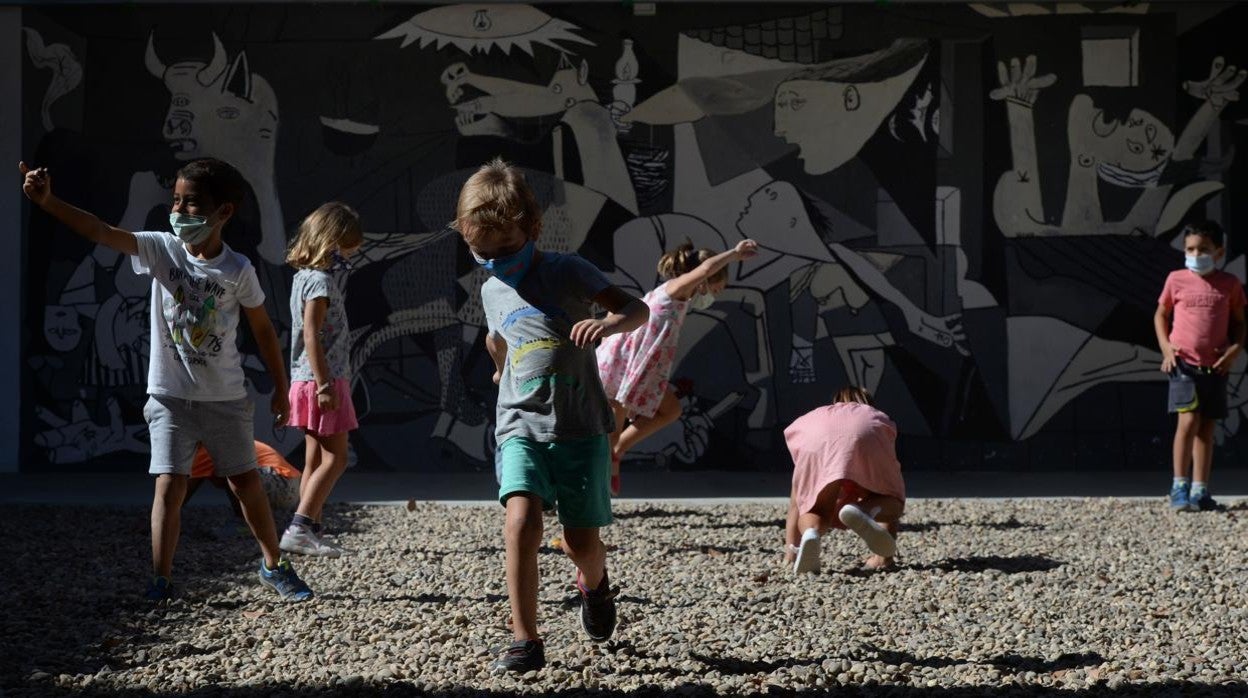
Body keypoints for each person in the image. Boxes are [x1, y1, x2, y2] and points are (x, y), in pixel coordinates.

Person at [19, 158, 313, 602]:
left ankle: (274, 565)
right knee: (169, 486)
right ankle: (161, 580)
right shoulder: (161, 249)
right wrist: (49, 202)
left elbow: (264, 330)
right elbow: (100, 231)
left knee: (245, 483)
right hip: (169, 398)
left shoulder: (238, 269)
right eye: (175, 200)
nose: (178, 211)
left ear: (223, 212)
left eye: (190, 203)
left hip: (226, 399)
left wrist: (280, 387)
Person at [454, 157, 649, 673]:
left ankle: (595, 585)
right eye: (482, 253)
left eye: (506, 249)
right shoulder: (490, 288)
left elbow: (638, 309)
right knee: (520, 522)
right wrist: (501, 369)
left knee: (580, 541)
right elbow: (500, 339)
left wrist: (607, 325)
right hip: (519, 424)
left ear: (533, 229)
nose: (496, 262)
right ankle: (526, 639)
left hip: (581, 426)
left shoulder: (567, 270)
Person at [595, 238, 758, 495]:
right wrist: (734, 254)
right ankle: (595, 491)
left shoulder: (676, 297)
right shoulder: (675, 289)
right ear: (704, 281)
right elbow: (706, 269)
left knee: (670, 410)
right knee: (610, 432)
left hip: (643, 369)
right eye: (718, 288)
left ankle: (618, 452)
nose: (717, 294)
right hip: (624, 365)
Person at [280, 202, 363, 556]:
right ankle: (299, 528)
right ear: (332, 242)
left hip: (305, 381)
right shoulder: (320, 282)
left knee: (314, 459)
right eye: (349, 246)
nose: (351, 254)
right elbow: (312, 335)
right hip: (323, 381)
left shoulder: (302, 278)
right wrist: (326, 384)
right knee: (337, 459)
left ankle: (311, 528)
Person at [1155, 220, 1245, 512]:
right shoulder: (1176, 280)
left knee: (1206, 428)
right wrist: (1166, 347)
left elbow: (1240, 323)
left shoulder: (1230, 284)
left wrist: (1234, 350)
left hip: (1216, 368)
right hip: (1185, 364)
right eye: (1190, 249)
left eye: (1203, 249)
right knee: (1188, 422)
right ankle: (1179, 486)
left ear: (1219, 252)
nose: (1196, 255)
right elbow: (1161, 314)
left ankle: (1200, 490)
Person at [783, 386, 905, 574]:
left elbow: (795, 505)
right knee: (890, 498)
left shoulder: (820, 415)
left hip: (815, 436)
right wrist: (885, 557)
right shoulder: (873, 417)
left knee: (815, 508)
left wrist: (789, 554)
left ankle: (810, 533)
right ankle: (864, 512)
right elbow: (889, 487)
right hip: (867, 433)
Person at [185, 441, 302, 519]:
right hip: (288, 484)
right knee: (231, 471)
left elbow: (186, 488)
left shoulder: (203, 450)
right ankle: (248, 521)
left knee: (234, 471)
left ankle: (246, 524)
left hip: (282, 483)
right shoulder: (214, 442)